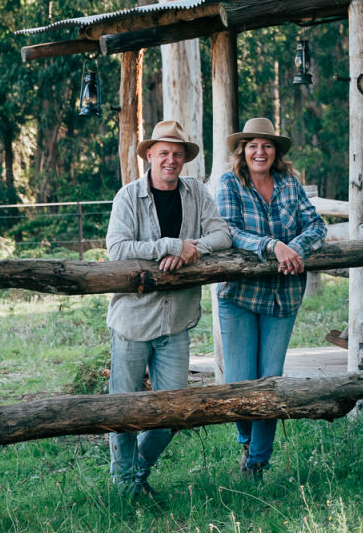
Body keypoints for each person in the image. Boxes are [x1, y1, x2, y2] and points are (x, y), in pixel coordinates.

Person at [105, 118, 232, 497]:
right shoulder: (127, 197)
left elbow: (222, 234)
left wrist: (192, 249)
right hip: (133, 321)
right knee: (124, 410)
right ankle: (123, 486)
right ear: (149, 155)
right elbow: (117, 249)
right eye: (163, 153)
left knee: (173, 410)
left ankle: (137, 474)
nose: (170, 160)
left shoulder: (195, 193)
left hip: (176, 320)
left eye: (177, 154)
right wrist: (168, 245)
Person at [216, 116, 326, 479]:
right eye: (252, 145)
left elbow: (317, 225)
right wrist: (273, 245)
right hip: (240, 294)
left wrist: (294, 248)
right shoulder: (230, 182)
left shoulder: (290, 185)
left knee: (271, 379)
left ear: (275, 152)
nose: (259, 151)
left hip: (283, 295)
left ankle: (258, 461)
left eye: (266, 145)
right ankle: (246, 441)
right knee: (242, 380)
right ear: (242, 151)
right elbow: (229, 230)